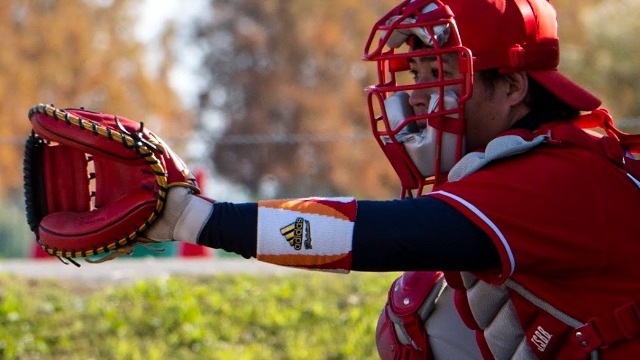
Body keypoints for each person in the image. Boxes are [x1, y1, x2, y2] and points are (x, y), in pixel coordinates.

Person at [145, 0, 640, 358]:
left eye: (440, 73)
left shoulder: (554, 176)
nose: (420, 96)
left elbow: (377, 237)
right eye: (417, 73)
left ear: (512, 87)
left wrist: (194, 218)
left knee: (420, 314)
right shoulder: (553, 156)